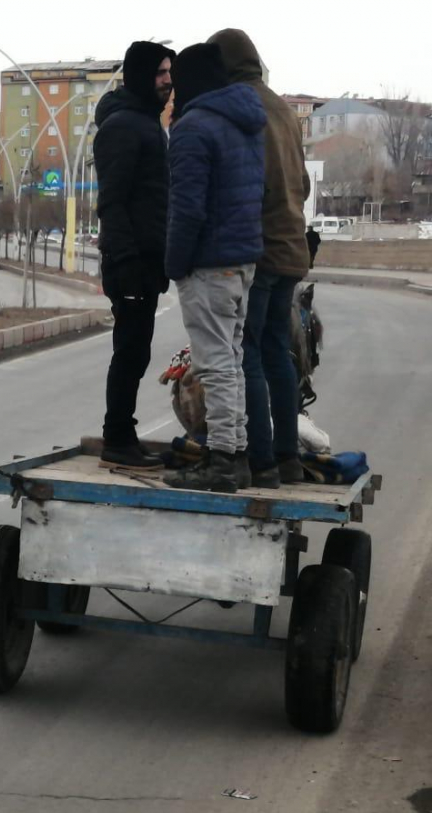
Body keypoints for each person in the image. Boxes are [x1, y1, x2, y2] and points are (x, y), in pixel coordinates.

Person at [163, 42, 267, 492]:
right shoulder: (245, 123)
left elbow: (187, 208)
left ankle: (222, 460)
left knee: (215, 365)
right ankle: (236, 454)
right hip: (243, 259)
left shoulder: (193, 128)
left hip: (209, 263)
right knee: (233, 360)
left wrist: (175, 263)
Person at [211, 29, 312, 488]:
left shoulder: (238, 108)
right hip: (293, 248)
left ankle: (262, 461)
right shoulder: (285, 110)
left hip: (259, 248)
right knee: (278, 352)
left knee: (245, 351)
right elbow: (303, 185)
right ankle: (288, 457)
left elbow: (246, 182)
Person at [93, 40, 176, 469]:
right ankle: (118, 439)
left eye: (169, 73)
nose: (168, 81)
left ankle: (124, 434)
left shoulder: (146, 123)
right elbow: (113, 201)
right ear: (143, 76)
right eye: (161, 73)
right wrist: (125, 262)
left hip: (146, 260)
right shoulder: (125, 126)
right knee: (129, 350)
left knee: (137, 349)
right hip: (131, 262)